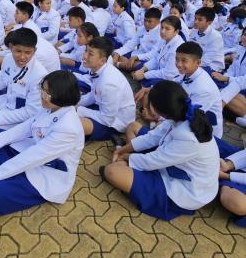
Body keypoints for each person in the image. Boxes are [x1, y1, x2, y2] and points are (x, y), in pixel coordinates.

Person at [0, 70, 84, 214]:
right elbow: (25, 128)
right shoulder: (51, 107)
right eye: (42, 89)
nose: (41, 95)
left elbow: (33, 157)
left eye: (47, 94)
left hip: (47, 172)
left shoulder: (68, 129)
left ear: (62, 97)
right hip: (32, 155)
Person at [101, 80, 219, 221]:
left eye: (150, 103)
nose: (146, 105)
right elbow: (153, 137)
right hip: (168, 161)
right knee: (133, 126)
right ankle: (129, 168)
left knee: (112, 171)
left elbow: (153, 161)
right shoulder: (179, 115)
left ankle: (135, 183)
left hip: (186, 190)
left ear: (159, 109)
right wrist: (123, 151)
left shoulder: (188, 138)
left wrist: (127, 157)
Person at [76, 37, 135, 140]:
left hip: (116, 123)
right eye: (86, 50)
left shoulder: (108, 83)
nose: (84, 55)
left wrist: (79, 109)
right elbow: (93, 95)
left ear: (102, 60)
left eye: (90, 54)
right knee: (69, 107)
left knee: (73, 122)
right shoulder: (98, 69)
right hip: (105, 109)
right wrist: (76, 104)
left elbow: (107, 119)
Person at [132, 16, 183, 87]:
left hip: (171, 78)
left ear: (176, 31)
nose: (162, 31)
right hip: (160, 70)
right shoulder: (164, 40)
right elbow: (155, 58)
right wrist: (142, 70)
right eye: (162, 27)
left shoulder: (178, 48)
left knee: (148, 83)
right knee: (138, 69)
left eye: (167, 29)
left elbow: (168, 73)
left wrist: (144, 75)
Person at [189, 7, 225, 73]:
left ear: (209, 22)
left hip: (211, 66)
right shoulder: (194, 31)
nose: (195, 22)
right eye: (195, 18)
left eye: (200, 20)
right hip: (195, 61)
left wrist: (190, 64)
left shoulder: (216, 36)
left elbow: (208, 58)